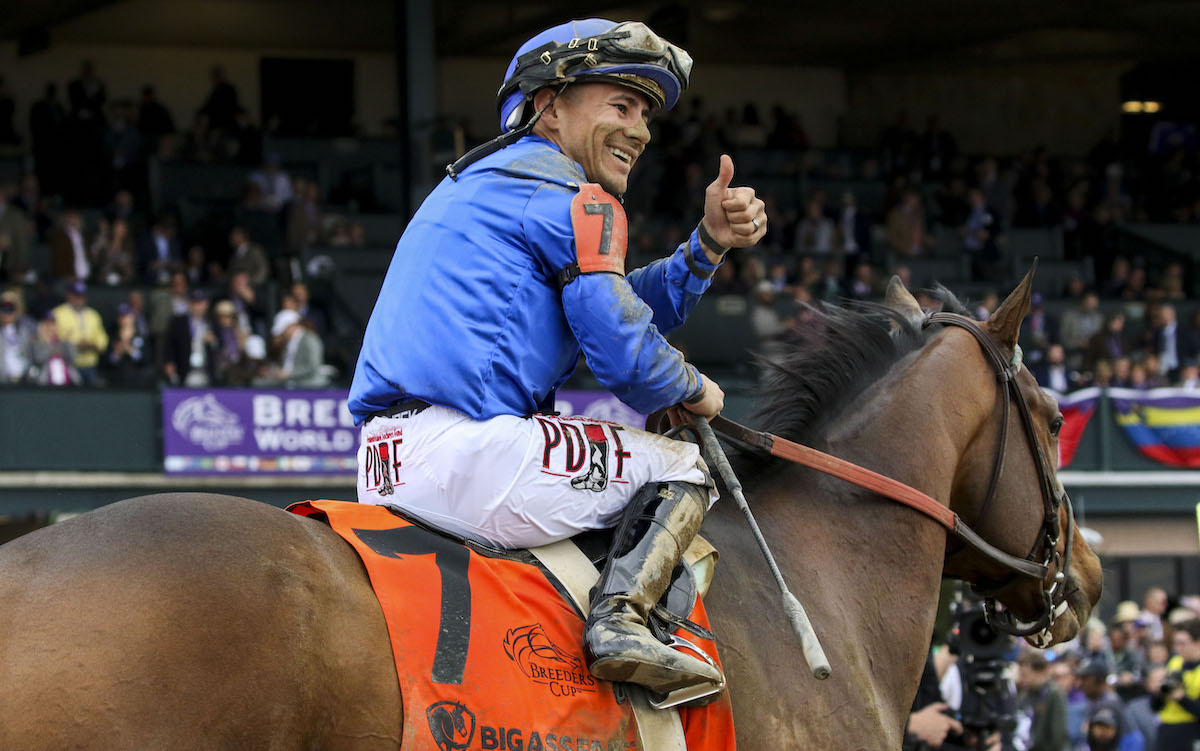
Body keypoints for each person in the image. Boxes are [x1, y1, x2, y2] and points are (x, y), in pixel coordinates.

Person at [347, 18, 766, 700]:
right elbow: (626, 356)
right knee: (686, 466)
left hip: (385, 461)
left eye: (645, 115)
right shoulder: (575, 197)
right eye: (621, 106)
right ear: (549, 105)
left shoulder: (489, 185)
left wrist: (705, 246)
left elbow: (616, 304)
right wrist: (696, 388)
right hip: (468, 454)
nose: (641, 130)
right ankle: (622, 624)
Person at [1155, 619, 1200, 750]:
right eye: (1176, 643)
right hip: (1166, 727)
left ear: (1197, 642)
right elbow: (1155, 705)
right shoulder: (1175, 662)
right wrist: (1159, 690)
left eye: (1182, 643)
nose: (1178, 648)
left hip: (1190, 730)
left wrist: (1181, 698)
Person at [1017, 652, 1069, 751]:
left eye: (1025, 674)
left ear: (1040, 672)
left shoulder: (1054, 694)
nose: (1022, 679)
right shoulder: (1026, 694)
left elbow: (1057, 735)